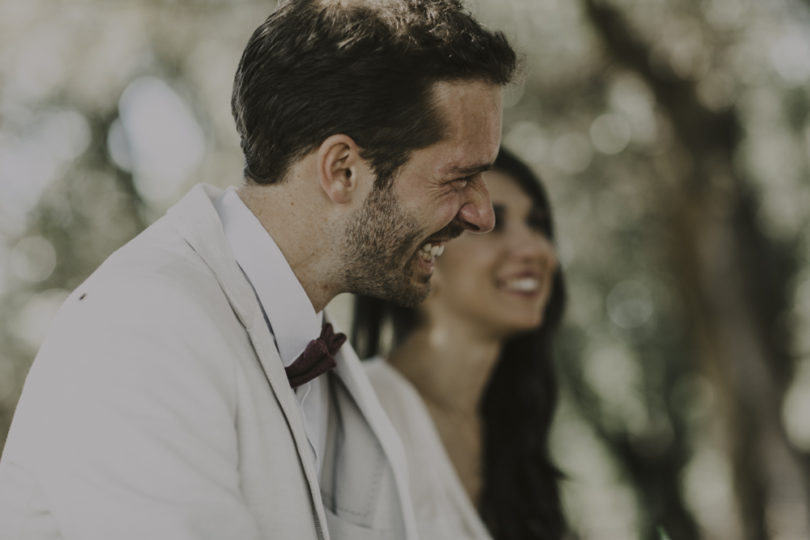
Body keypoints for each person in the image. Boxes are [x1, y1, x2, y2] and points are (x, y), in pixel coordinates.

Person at [0, 1, 517, 538]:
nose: (482, 215)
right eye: (459, 178)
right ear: (342, 170)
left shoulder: (315, 355)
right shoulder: (140, 328)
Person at [353, 148, 568, 540]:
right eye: (493, 225)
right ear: (424, 253)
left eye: (536, 224)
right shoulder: (362, 411)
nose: (535, 249)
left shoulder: (513, 429)